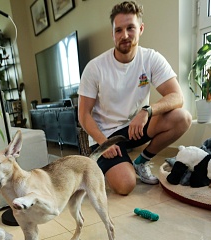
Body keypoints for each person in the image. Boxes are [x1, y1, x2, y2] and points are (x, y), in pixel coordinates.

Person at [78, 1, 192, 195]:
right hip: (105, 135)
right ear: (112, 34)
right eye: (118, 30)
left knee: (182, 117)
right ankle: (105, 164)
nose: (124, 35)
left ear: (140, 29)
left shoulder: (151, 58)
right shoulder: (95, 67)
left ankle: (141, 162)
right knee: (125, 185)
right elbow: (83, 115)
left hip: (135, 128)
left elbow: (177, 96)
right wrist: (103, 143)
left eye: (130, 28)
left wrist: (147, 111)